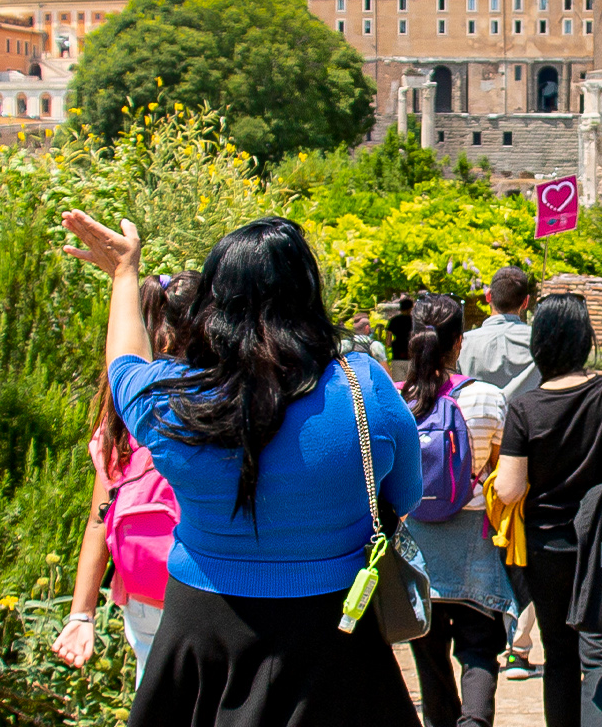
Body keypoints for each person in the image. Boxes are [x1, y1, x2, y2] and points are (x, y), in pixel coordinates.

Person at [60, 211, 424, 726]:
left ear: (214, 301)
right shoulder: (365, 389)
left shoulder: (174, 402)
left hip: (199, 637)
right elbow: (406, 495)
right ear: (307, 294)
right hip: (334, 637)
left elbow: (124, 365)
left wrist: (125, 273)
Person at [494, 293, 602, 727]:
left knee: (559, 657)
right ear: (585, 340)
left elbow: (511, 490)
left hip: (547, 547)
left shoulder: (524, 407)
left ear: (539, 343)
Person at [53, 271, 201, 684]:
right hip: (203, 592)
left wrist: (81, 613)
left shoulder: (120, 421)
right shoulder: (211, 408)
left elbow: (100, 517)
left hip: (141, 598)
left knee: (153, 696)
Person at [402, 293, 520, 727]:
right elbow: (505, 472)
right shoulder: (488, 398)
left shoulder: (395, 400)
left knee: (429, 656)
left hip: (416, 538)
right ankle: (474, 722)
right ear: (460, 342)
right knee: (478, 649)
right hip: (475, 534)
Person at [458, 266, 542, 679]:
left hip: (476, 458)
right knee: (520, 549)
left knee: (484, 543)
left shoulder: (466, 342)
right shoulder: (539, 343)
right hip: (529, 457)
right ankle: (520, 647)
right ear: (526, 302)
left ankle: (480, 635)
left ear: (487, 299)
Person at [460, 266, 541, 401]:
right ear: (526, 302)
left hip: (475, 420)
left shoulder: (464, 343)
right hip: (525, 421)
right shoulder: (541, 341)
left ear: (488, 296)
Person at [390, 296, 416, 361]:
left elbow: (388, 341)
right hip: (413, 353)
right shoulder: (416, 321)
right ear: (411, 308)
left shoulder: (394, 320)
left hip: (397, 353)